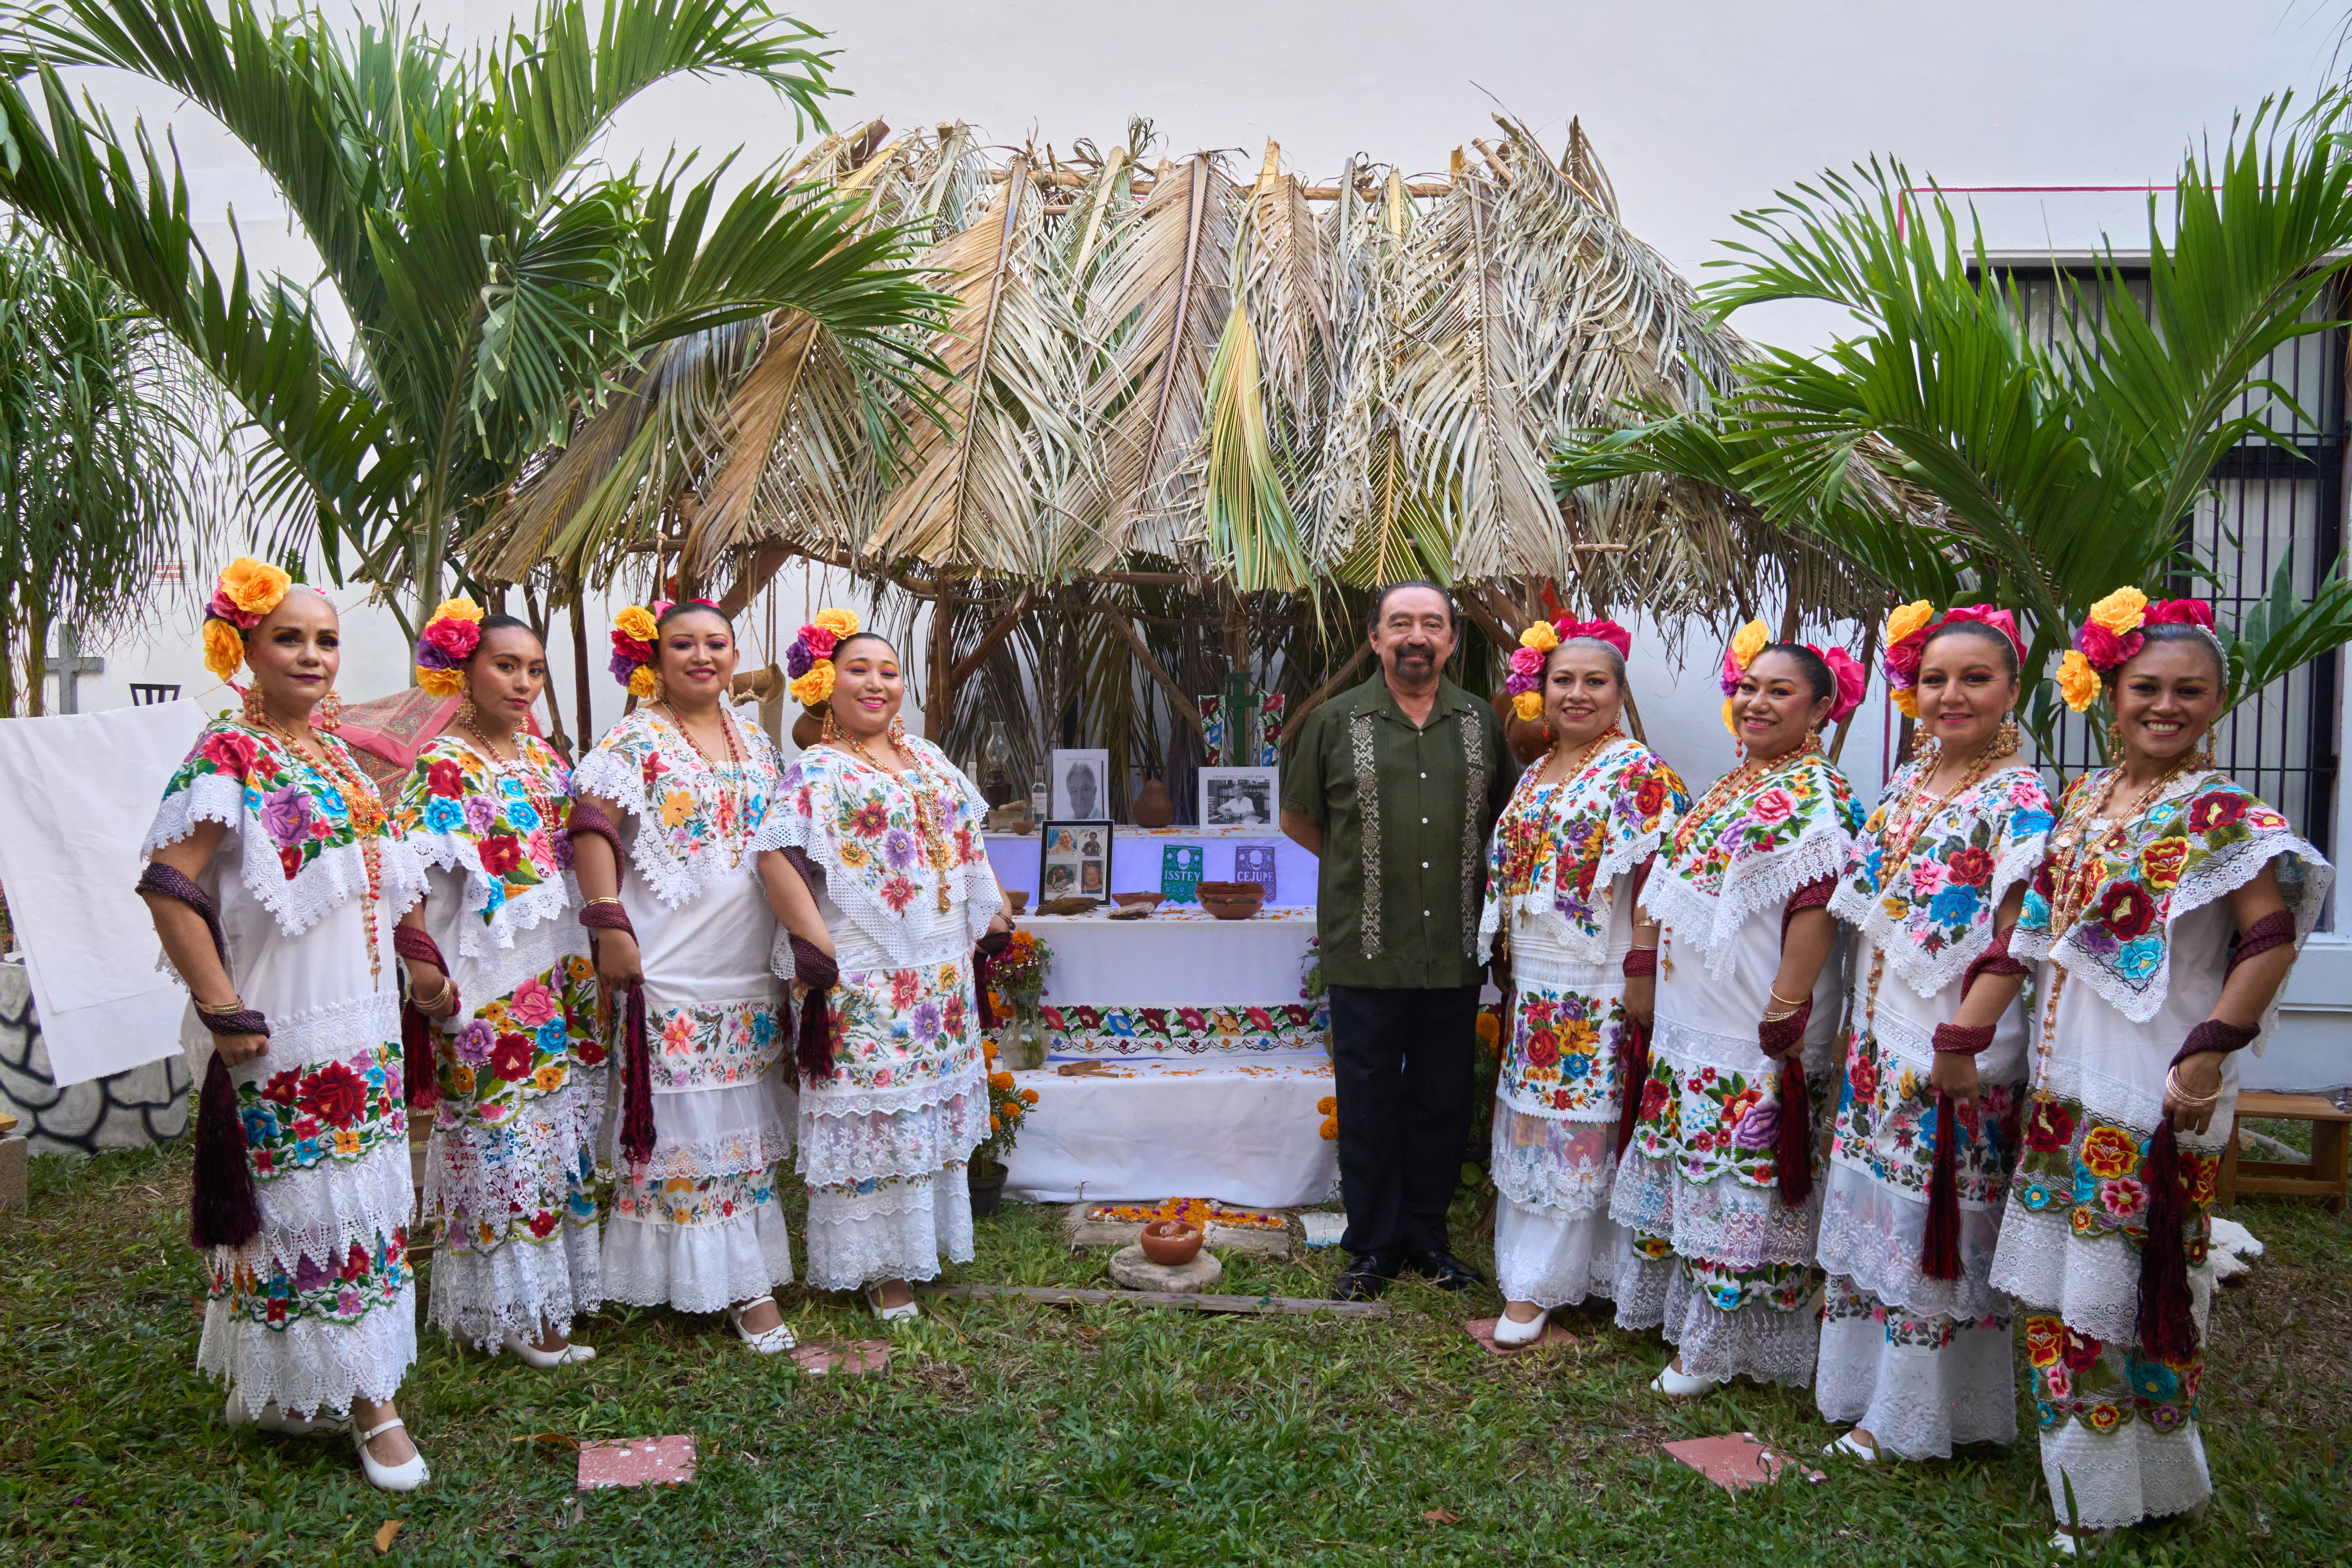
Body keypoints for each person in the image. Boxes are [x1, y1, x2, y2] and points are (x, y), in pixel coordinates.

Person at [1990, 592, 2329, 1554]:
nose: (2166, 706)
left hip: (2154, 1082)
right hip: (2067, 1081)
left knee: (2137, 1296)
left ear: (2220, 702)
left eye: (2191, 691)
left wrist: (2214, 1046)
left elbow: (2268, 933)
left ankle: (2138, 1488)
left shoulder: (2224, 814)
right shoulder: (2087, 796)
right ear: (2111, 692)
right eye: (2148, 688)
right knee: (2063, 1296)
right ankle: (2086, 1485)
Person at [136, 559, 431, 1490]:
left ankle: (308, 1386)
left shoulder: (336, 754)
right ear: (245, 649)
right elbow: (169, 885)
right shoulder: (229, 753)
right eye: (289, 637)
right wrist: (222, 1008)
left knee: (357, 1205)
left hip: (364, 1017)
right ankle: (370, 1405)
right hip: (288, 1023)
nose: (312, 654)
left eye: (326, 639)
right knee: (309, 1206)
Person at [1816, 605, 2054, 1460]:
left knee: (1933, 1218)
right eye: (1934, 679)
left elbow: (2017, 930)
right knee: (1884, 1205)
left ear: (2012, 690)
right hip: (1884, 1033)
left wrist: (1965, 1039)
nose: (1951, 695)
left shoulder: (2018, 797)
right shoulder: (1913, 781)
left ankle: (1916, 1415)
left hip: (1954, 1039)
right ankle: (1861, 1389)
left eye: (1975, 677)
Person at [1615, 625, 1865, 1394]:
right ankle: (1688, 1323)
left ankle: (1720, 1347)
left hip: (1752, 1022)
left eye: (1779, 691)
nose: (1756, 702)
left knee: (1743, 1182)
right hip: (1699, 1020)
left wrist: (1788, 1005)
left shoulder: (1817, 793)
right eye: (1749, 688)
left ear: (1820, 708)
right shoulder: (1741, 781)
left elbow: (1816, 904)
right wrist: (1645, 971)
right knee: (1697, 1172)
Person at [756, 614, 1012, 1323]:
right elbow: (776, 852)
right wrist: (815, 948)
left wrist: (990, 913)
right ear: (825, 686)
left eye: (888, 670)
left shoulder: (930, 758)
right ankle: (877, 1269)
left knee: (925, 1107)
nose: (876, 682)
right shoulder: (817, 769)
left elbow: (970, 841)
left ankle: (918, 1246)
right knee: (873, 1111)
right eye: (858, 669)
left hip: (938, 969)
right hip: (863, 967)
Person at [1280, 581, 1518, 1301]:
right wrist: (1368, 869)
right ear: (1378, 638)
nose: (1417, 636)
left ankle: (1428, 1237)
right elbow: (1299, 820)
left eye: (1432, 624)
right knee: (1369, 1097)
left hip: (1453, 948)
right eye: (1401, 624)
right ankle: (1372, 1245)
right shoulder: (1333, 721)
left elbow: (1502, 823)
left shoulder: (1481, 722)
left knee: (1442, 1098)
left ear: (1451, 641)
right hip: (1366, 945)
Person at [571, 599, 798, 1353]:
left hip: (744, 963)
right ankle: (729, 1284)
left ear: (735, 655)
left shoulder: (758, 744)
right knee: (687, 1121)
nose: (702, 657)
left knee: (741, 1119)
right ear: (655, 659)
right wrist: (607, 919)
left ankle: (739, 1275)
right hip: (670, 963)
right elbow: (592, 824)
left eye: (717, 644)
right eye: (683, 645)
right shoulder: (636, 738)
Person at [394, 602, 604, 1366]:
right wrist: (424, 969)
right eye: (505, 665)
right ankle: (515, 1313)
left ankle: (554, 1299)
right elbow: (404, 872)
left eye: (534, 669)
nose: (523, 682)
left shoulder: (544, 759)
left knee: (554, 1133)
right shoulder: (442, 763)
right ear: (464, 671)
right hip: (485, 982)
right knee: (500, 1134)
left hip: (559, 969)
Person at [1478, 615, 1686, 1346]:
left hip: (1600, 977)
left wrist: (1640, 969)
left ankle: (1543, 1283)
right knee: (1544, 1118)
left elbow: (1660, 880)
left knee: (1585, 1122)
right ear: (1540, 690)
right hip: (1538, 976)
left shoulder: (1638, 772)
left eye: (1595, 680)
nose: (1577, 693)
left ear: (1620, 692)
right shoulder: (1536, 771)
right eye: (1562, 679)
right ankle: (1564, 1270)